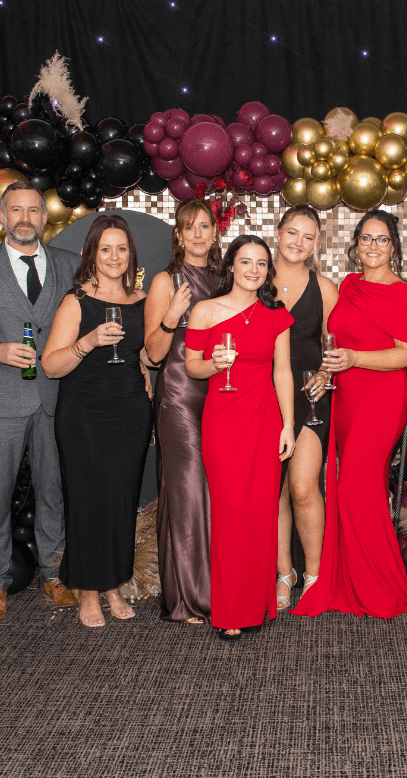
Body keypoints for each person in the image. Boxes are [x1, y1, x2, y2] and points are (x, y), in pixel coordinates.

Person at [0, 181, 81, 621]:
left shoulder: (70, 264)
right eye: (16, 210)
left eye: (33, 210)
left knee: (53, 490)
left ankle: (54, 573)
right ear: (2, 217)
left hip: (55, 396)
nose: (25, 218)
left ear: (44, 217)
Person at [294, 210, 407, 619]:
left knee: (354, 488)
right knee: (354, 490)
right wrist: (326, 370)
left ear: (393, 246)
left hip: (382, 400)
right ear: (356, 244)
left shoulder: (403, 294)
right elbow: (333, 342)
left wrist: (355, 359)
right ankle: (354, 578)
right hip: (347, 397)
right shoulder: (349, 285)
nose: (373, 246)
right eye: (366, 238)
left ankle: (378, 586)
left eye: (381, 239)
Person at [42, 215, 152, 628]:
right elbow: (51, 365)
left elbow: (146, 353)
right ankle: (87, 590)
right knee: (87, 501)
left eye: (121, 248)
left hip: (130, 412)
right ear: (91, 254)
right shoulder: (77, 301)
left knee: (120, 501)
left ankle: (113, 584)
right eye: (105, 248)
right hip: (84, 414)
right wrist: (87, 343)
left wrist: (145, 367)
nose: (114, 256)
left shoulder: (142, 299)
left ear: (131, 254)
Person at [185, 235, 296, 640]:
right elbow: (192, 367)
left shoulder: (276, 315)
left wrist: (288, 425)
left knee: (260, 512)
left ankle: (256, 604)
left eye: (261, 263)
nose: (253, 269)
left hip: (264, 418)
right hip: (223, 420)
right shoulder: (205, 311)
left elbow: (282, 372)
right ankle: (231, 608)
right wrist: (214, 365)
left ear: (268, 271)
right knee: (231, 512)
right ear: (231, 265)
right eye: (245, 261)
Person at [144, 198, 221, 625]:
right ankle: (189, 598)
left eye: (204, 226)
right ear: (178, 235)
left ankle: (219, 586)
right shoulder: (165, 281)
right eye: (189, 227)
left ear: (215, 232)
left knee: (218, 492)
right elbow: (154, 354)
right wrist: (171, 316)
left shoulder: (227, 280)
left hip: (223, 396)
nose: (197, 234)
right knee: (188, 491)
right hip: (179, 396)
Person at [271, 205, 338, 610]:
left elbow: (335, 345)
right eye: (292, 232)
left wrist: (325, 376)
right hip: (265, 395)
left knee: (302, 486)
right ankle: (285, 573)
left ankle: (314, 573)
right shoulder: (256, 279)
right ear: (278, 232)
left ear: (316, 244)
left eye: (308, 237)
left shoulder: (324, 288)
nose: (298, 242)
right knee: (275, 490)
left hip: (312, 396)